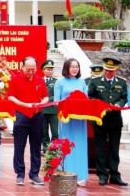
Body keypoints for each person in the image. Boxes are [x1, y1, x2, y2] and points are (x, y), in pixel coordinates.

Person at [7, 56, 48, 186]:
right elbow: (11, 97)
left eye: (33, 69)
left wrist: (40, 104)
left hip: (37, 115)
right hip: (21, 115)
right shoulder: (15, 79)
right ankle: (20, 174)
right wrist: (25, 105)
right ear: (22, 67)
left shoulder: (40, 80)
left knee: (36, 146)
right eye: (28, 69)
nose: (30, 72)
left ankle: (34, 174)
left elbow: (46, 97)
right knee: (19, 145)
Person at [88, 57, 128, 186]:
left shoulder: (121, 83)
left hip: (115, 119)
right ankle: (102, 175)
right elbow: (91, 97)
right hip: (100, 119)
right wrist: (101, 105)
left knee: (114, 148)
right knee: (100, 148)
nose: (108, 73)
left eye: (111, 71)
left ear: (116, 70)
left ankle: (115, 175)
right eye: (106, 70)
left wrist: (117, 104)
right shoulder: (95, 81)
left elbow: (123, 98)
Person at [53, 58, 88, 187]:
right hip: (66, 119)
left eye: (77, 67)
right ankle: (66, 172)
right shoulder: (60, 82)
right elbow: (57, 101)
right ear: (66, 67)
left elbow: (86, 100)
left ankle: (81, 175)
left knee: (80, 145)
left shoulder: (82, 82)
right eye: (72, 66)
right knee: (66, 145)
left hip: (80, 119)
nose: (75, 69)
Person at [41, 60, 58, 154]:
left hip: (53, 110)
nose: (50, 71)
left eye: (51, 69)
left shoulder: (56, 82)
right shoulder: (39, 81)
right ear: (43, 70)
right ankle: (46, 149)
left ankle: (53, 149)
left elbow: (57, 95)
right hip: (42, 110)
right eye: (48, 69)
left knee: (55, 131)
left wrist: (47, 99)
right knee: (43, 132)